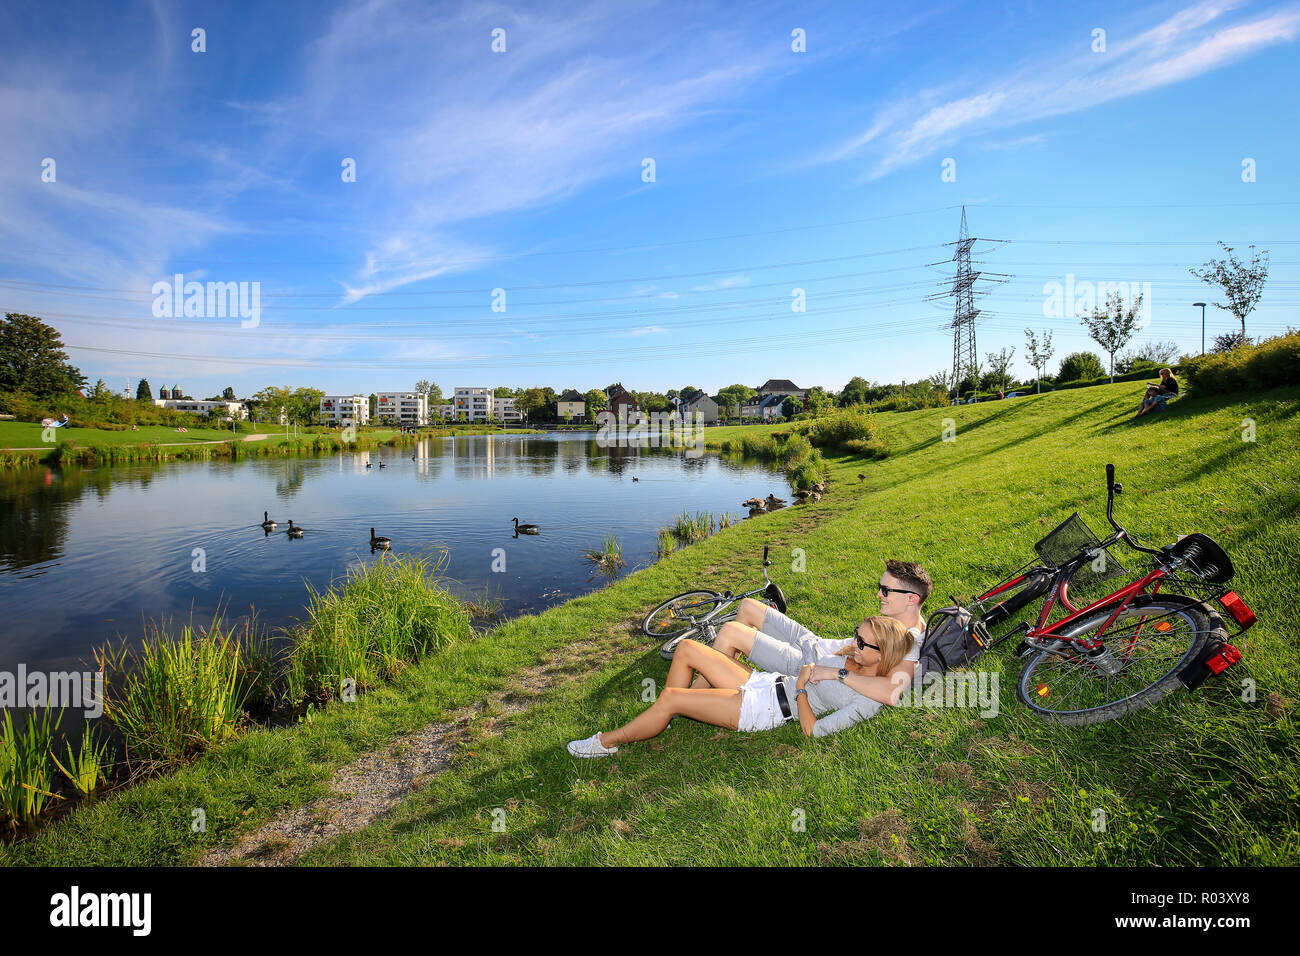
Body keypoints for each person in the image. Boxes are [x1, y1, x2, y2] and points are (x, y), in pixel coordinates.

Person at [567, 616, 914, 756]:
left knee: (672, 696)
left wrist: (803, 689)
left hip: (765, 708)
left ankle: (606, 743)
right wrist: (809, 667)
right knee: (687, 649)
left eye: (863, 644)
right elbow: (816, 650)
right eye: (856, 635)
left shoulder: (869, 700)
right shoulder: (852, 654)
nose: (854, 644)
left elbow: (813, 732)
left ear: (884, 654)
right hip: (763, 681)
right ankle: (664, 715)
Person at [702, 559, 931, 680]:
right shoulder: (916, 621)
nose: (879, 594)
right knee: (748, 606)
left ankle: (702, 686)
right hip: (814, 642)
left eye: (886, 590)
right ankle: (720, 669)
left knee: (730, 632)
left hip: (807, 661)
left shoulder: (906, 642)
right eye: (880, 588)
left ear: (911, 599)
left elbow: (880, 681)